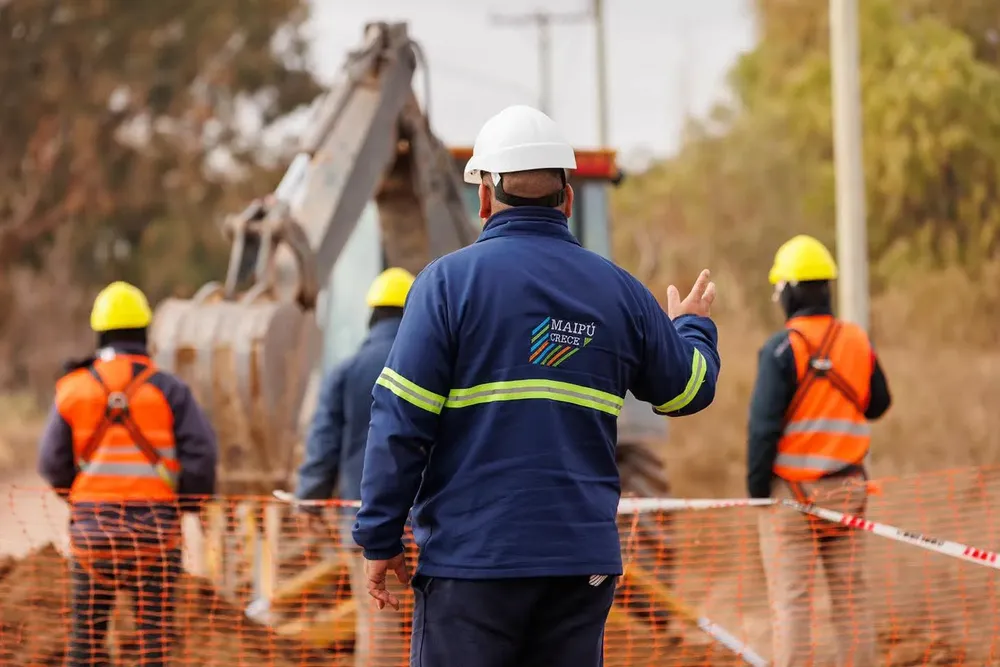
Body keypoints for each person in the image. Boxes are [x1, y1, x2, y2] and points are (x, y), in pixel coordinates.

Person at [352, 104, 721, 667]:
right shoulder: (620, 292)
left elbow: (400, 423)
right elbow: (688, 390)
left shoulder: (445, 287)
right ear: (568, 199)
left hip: (473, 566)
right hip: (580, 569)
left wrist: (379, 538)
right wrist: (691, 327)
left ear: (484, 198)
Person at [37, 281, 218, 667]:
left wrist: (84, 499)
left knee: (85, 645)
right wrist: (184, 502)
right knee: (154, 649)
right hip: (154, 539)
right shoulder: (170, 390)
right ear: (145, 333)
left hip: (92, 539)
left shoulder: (73, 389)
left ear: (99, 331)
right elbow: (202, 460)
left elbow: (52, 464)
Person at [747, 235, 892, 667]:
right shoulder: (855, 340)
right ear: (826, 287)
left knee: (792, 605)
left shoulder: (780, 350)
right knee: (851, 599)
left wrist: (757, 492)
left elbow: (762, 431)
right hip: (848, 491)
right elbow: (879, 403)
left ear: (790, 290)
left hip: (792, 498)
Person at [294, 266, 416, 667]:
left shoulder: (346, 372)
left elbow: (324, 446)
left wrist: (309, 501)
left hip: (364, 522)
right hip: (433, 522)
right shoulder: (438, 366)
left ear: (371, 316)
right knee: (436, 625)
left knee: (378, 628)